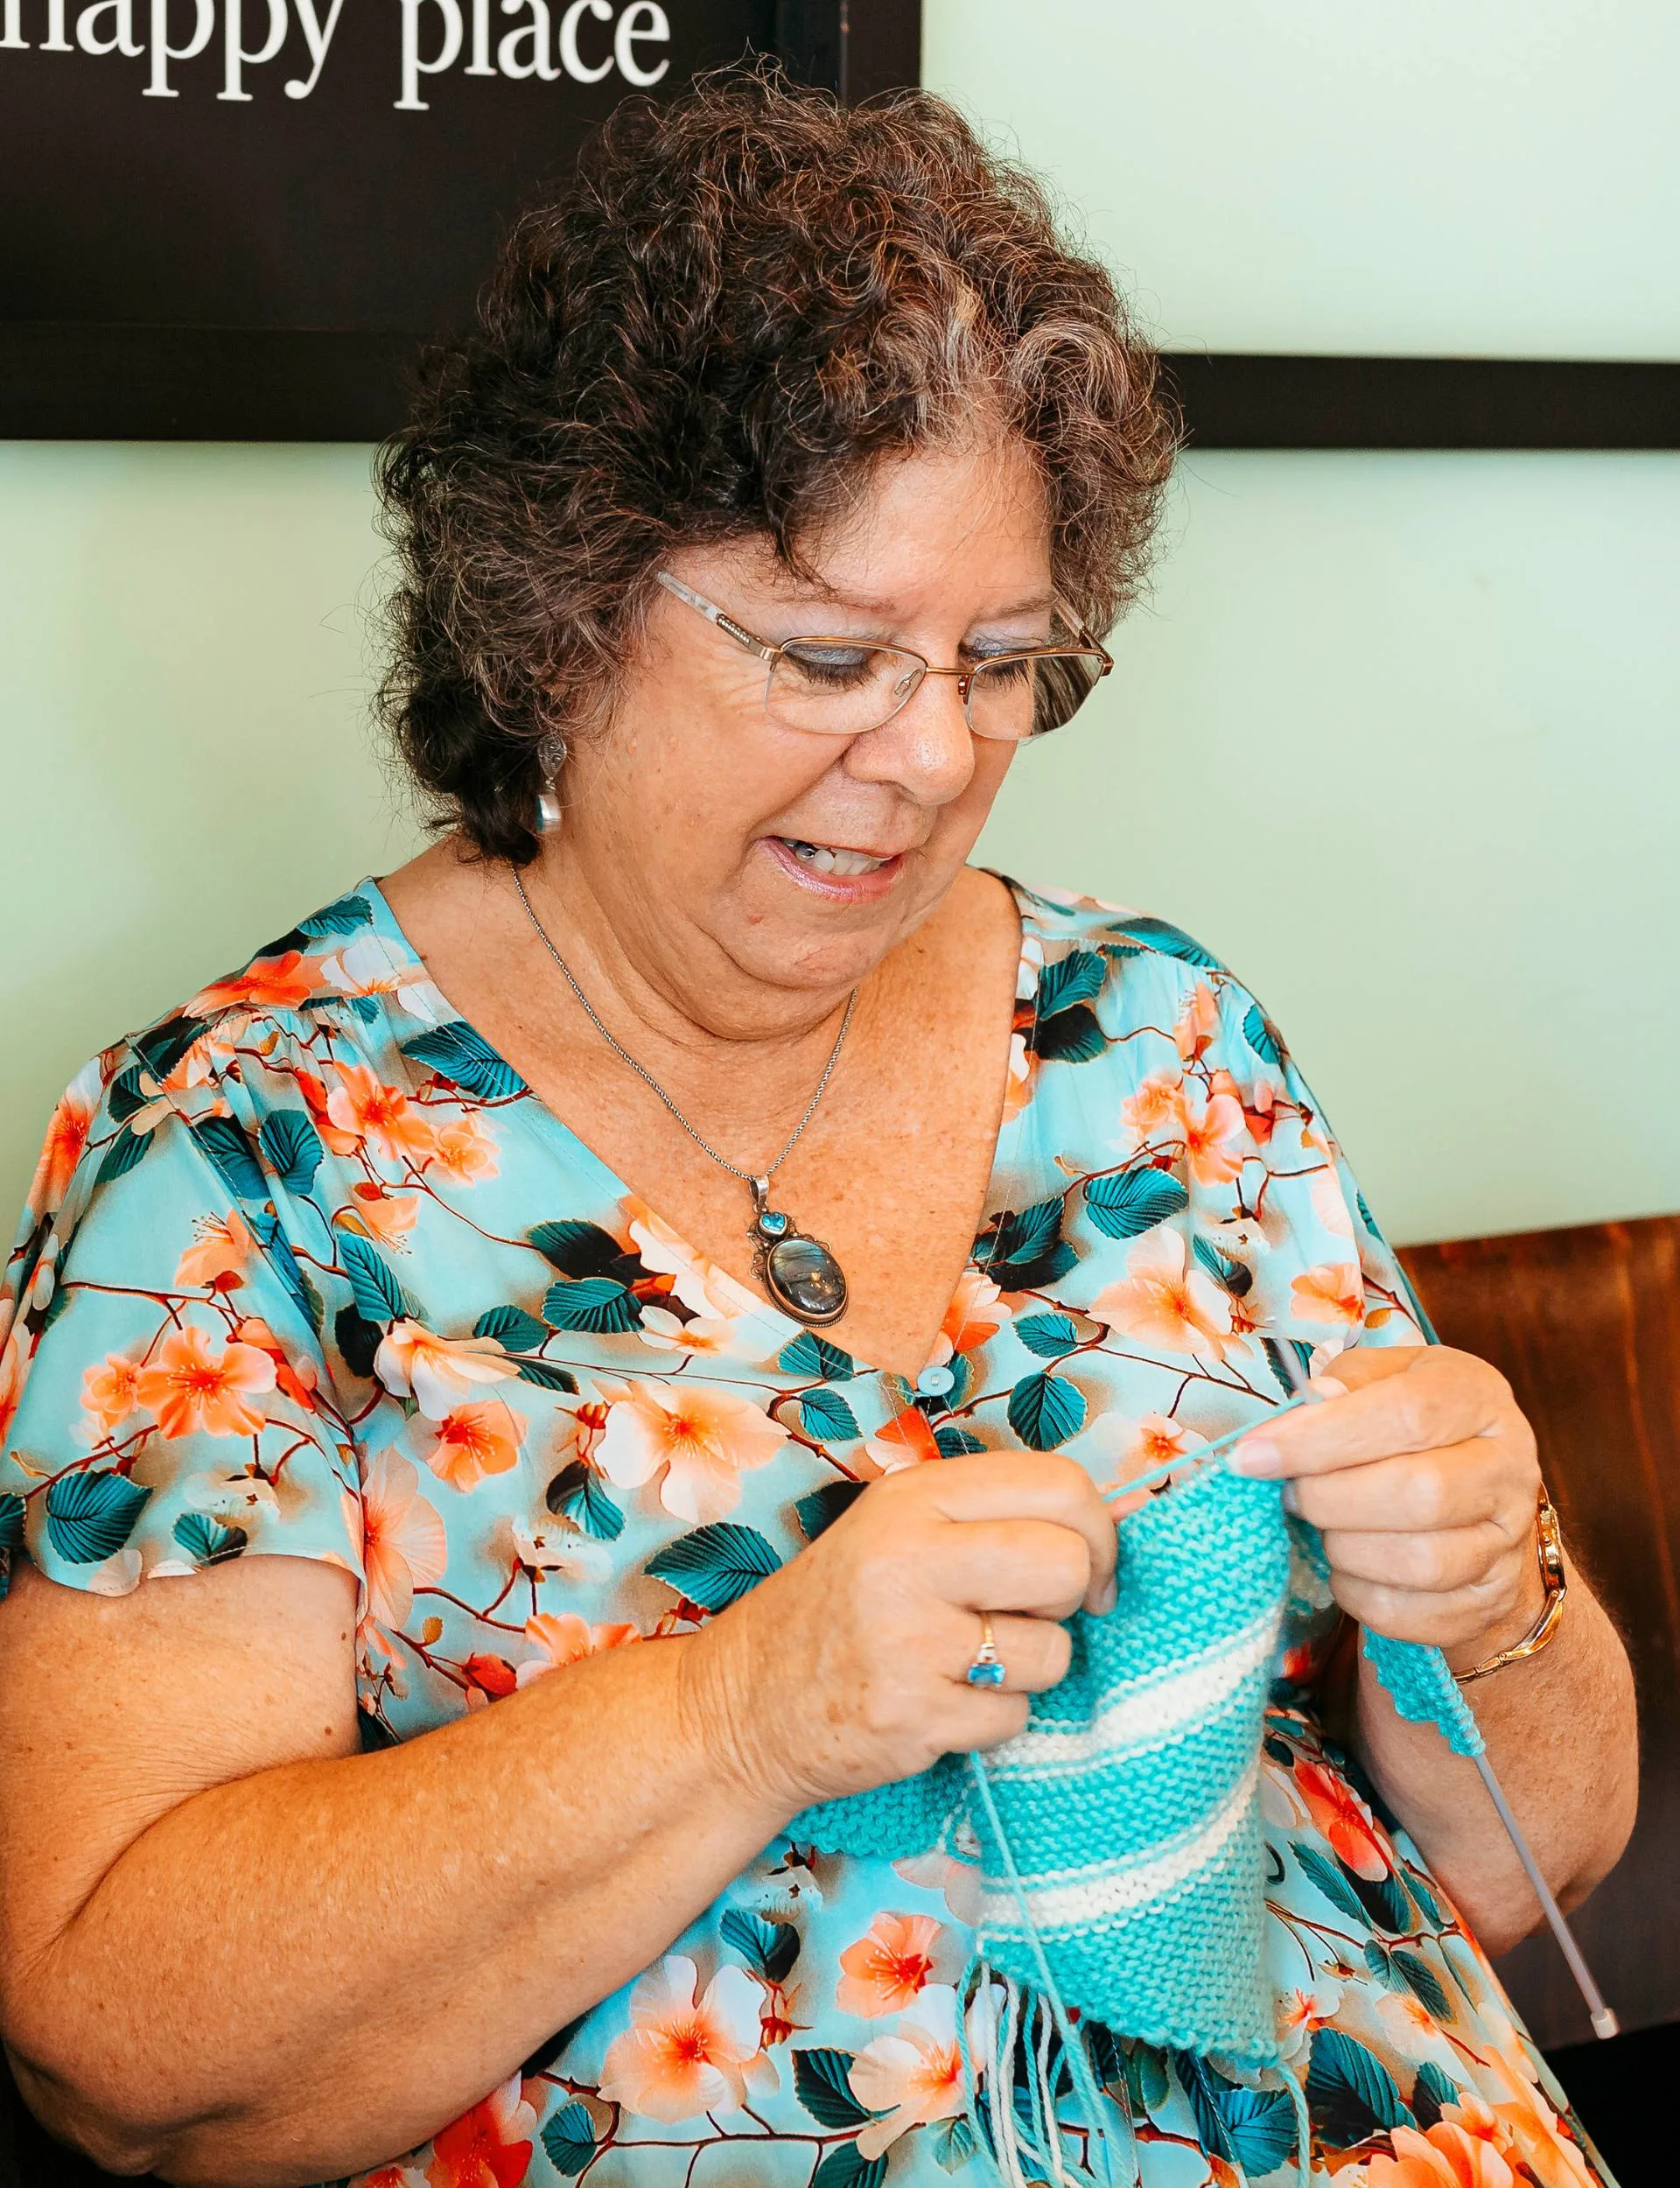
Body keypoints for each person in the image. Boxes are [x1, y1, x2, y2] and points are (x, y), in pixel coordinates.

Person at [0, 67, 1635, 2188]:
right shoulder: (247, 1154)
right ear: (562, 609)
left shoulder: (1160, 1036)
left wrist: (1493, 1583)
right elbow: (125, 2043)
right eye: (830, 652)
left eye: (1003, 660)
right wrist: (745, 1708)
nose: (932, 749)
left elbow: (1535, 1861)